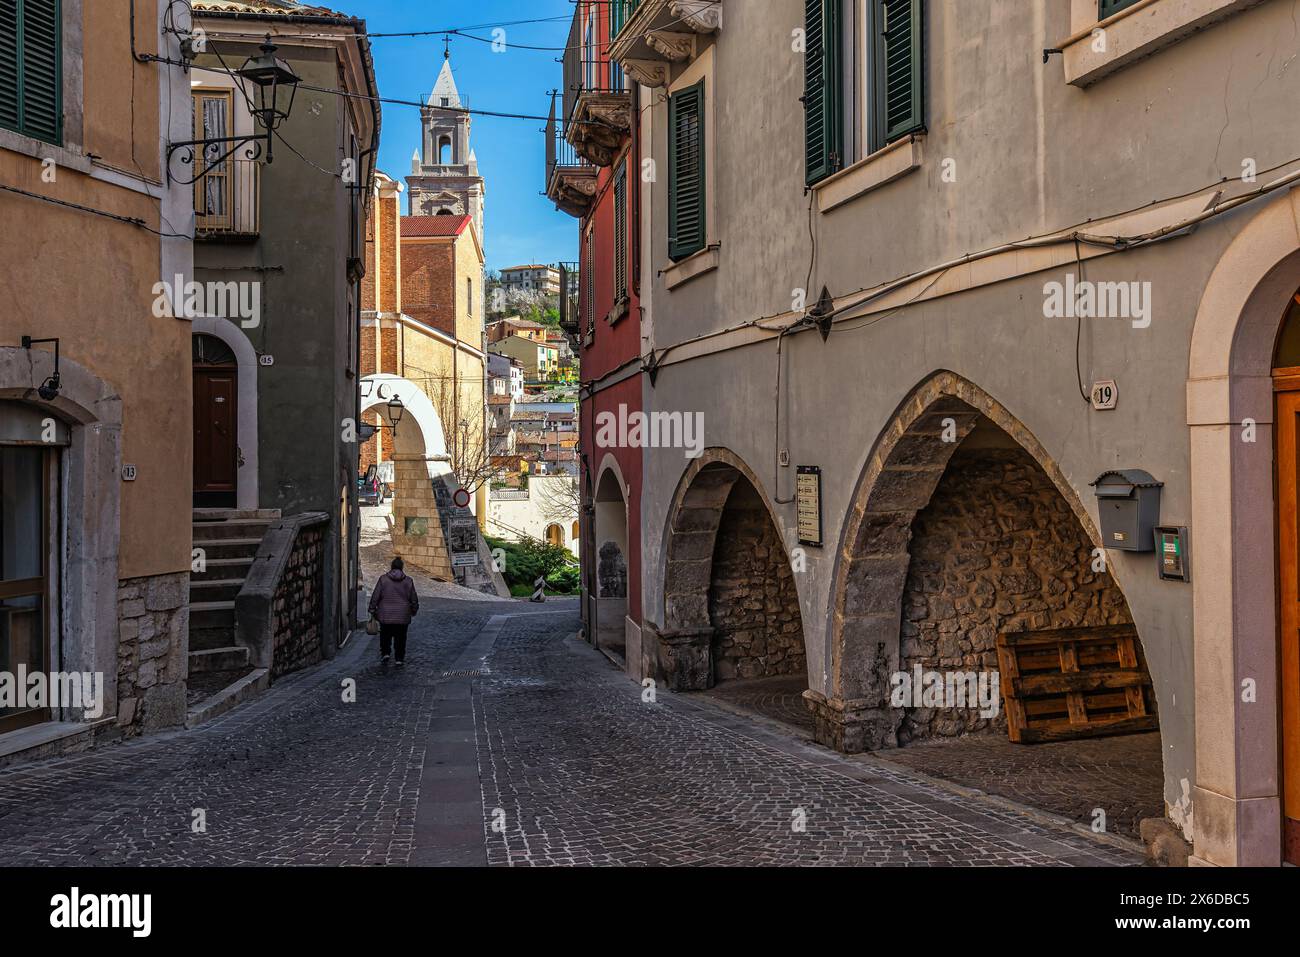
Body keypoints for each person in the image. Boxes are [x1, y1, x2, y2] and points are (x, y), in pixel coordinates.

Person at [368, 557, 418, 666]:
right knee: (401, 637)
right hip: (402, 615)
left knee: (385, 634)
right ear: (402, 567)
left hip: (385, 614)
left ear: (392, 566)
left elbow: (376, 595)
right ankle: (399, 658)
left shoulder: (383, 579)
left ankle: (385, 653)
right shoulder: (408, 581)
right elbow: (413, 598)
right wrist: (414, 609)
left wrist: (372, 608)